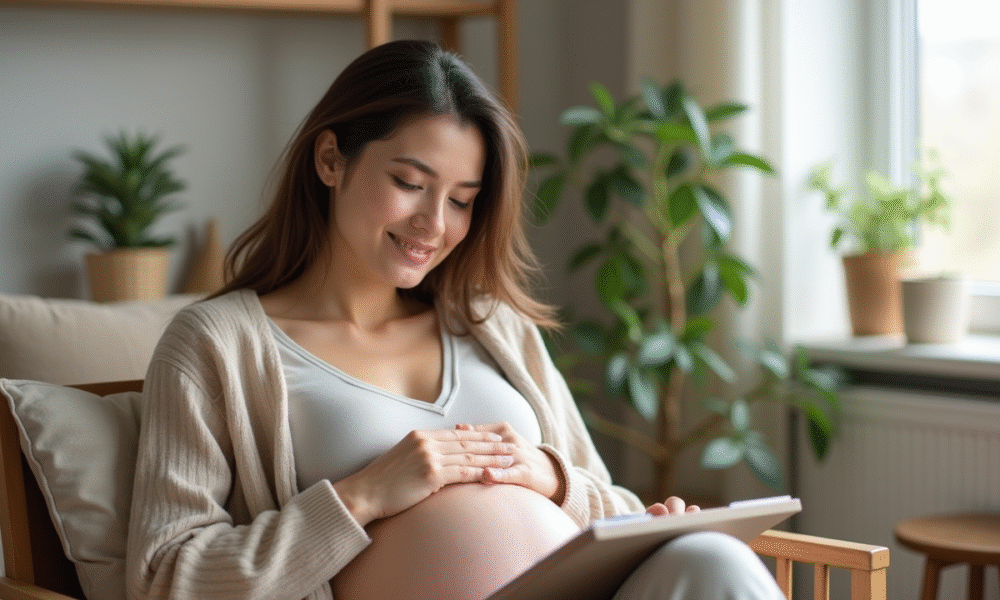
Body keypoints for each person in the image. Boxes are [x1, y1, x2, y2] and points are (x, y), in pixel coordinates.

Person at [125, 39, 784, 600]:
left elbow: (609, 505)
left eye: (462, 200)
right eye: (411, 183)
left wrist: (553, 479)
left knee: (716, 561)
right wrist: (361, 497)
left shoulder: (493, 324)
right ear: (330, 160)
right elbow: (163, 576)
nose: (434, 226)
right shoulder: (216, 344)